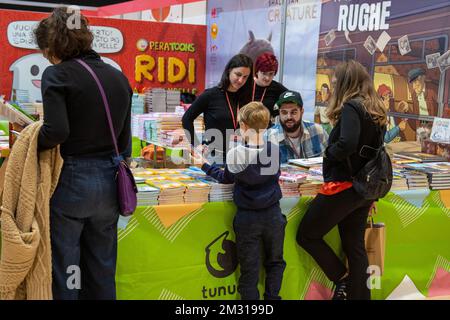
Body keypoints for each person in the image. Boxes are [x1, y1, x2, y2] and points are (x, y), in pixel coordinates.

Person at [35, 7, 132, 299]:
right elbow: (124, 140)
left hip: (73, 182)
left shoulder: (57, 75)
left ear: (52, 45)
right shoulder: (117, 77)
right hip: (110, 183)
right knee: (102, 267)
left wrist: (29, 139)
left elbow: (56, 132)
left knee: (67, 267)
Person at [296, 60, 387, 300]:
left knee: (307, 235)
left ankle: (342, 279)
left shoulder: (351, 107)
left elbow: (347, 143)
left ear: (346, 83)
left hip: (343, 186)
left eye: (335, 83)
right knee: (354, 245)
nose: (332, 88)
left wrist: (327, 153)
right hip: (363, 189)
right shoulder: (375, 109)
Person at [192, 102, 286, 300]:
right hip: (274, 215)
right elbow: (274, 174)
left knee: (249, 270)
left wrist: (203, 165)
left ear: (243, 126)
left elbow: (226, 178)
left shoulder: (236, 153)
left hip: (248, 218)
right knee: (276, 262)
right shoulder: (275, 149)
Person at [182, 54, 253, 164]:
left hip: (238, 155)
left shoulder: (246, 99)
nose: (240, 80)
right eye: (238, 74)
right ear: (229, 71)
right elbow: (186, 119)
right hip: (214, 156)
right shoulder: (210, 95)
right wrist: (196, 145)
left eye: (245, 77)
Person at [268, 90, 328, 163]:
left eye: (294, 112)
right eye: (284, 112)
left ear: (302, 112)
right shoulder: (269, 137)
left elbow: (332, 162)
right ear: (279, 113)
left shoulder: (318, 131)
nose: (289, 117)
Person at [252, 53, 288, 123]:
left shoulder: (276, 88)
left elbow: (293, 100)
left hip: (266, 130)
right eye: (264, 73)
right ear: (257, 71)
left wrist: (274, 113)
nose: (267, 78)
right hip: (243, 129)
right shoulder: (246, 84)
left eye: (271, 73)